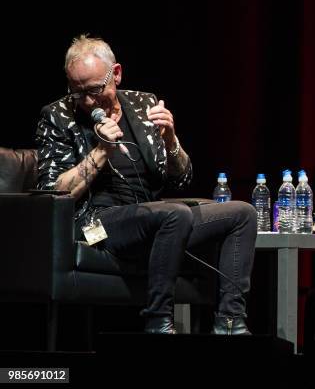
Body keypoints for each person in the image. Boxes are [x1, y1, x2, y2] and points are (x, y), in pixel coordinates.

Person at [35, 34, 257, 335]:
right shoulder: (58, 116)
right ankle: (159, 324)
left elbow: (182, 178)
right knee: (174, 214)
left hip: (153, 218)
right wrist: (101, 150)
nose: (89, 102)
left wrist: (170, 139)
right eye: (79, 93)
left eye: (95, 90)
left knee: (242, 213)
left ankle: (230, 323)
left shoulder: (143, 104)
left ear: (116, 74)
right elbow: (53, 193)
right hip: (96, 224)